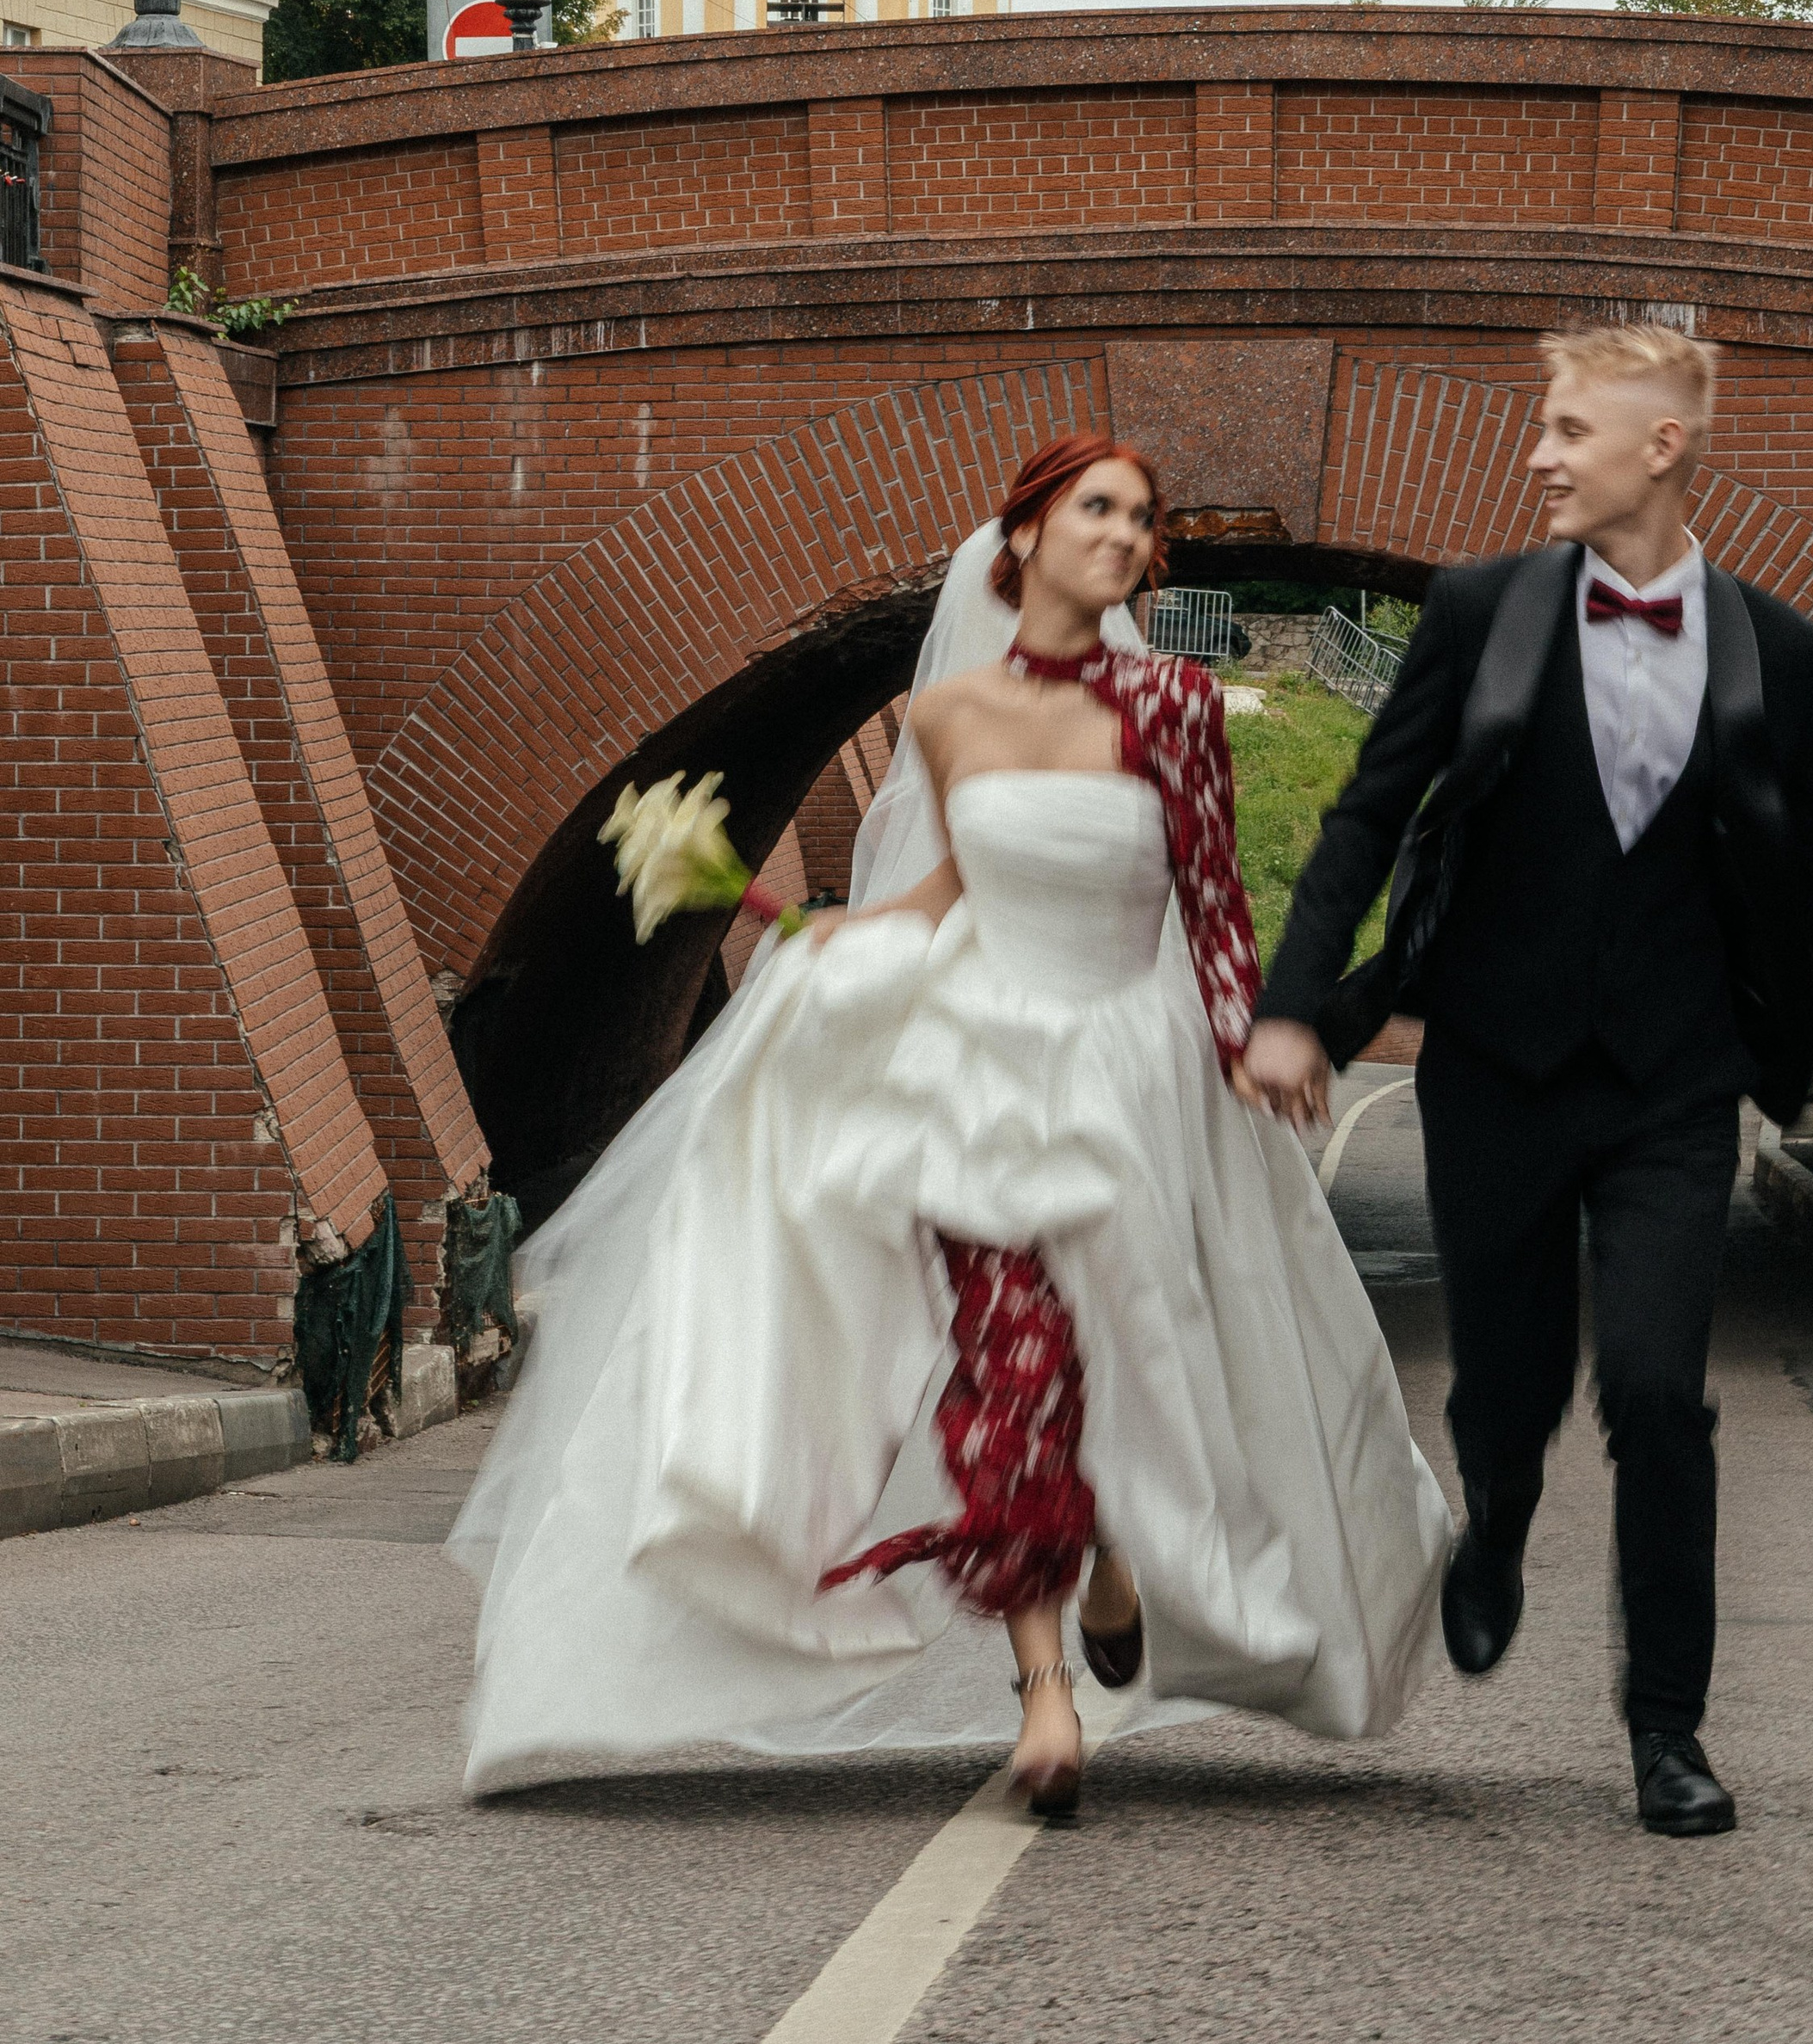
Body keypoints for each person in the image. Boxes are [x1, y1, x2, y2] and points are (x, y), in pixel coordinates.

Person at [453, 433, 1448, 1814]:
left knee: (1127, 1363)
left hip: (1134, 1077)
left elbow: (1211, 902)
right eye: (1094, 510)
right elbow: (932, 903)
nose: (1122, 535)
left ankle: (1111, 1554)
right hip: (979, 1075)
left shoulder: (1173, 707)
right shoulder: (943, 719)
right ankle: (1044, 1693)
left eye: (1141, 520)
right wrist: (786, 916)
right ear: (1024, 536)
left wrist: (1255, 1040)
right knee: (1008, 1366)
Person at [1250, 324, 1813, 1839]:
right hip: (1495, 1071)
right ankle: (1496, 1518)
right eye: (1545, 425)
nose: (1540, 453)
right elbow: (1369, 816)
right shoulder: (1480, 614)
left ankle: (1668, 1731)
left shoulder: (1782, 649)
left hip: (1674, 1086)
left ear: (1661, 446)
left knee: (1655, 1390)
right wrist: (1297, 1010)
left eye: (1570, 428)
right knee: (1506, 1393)